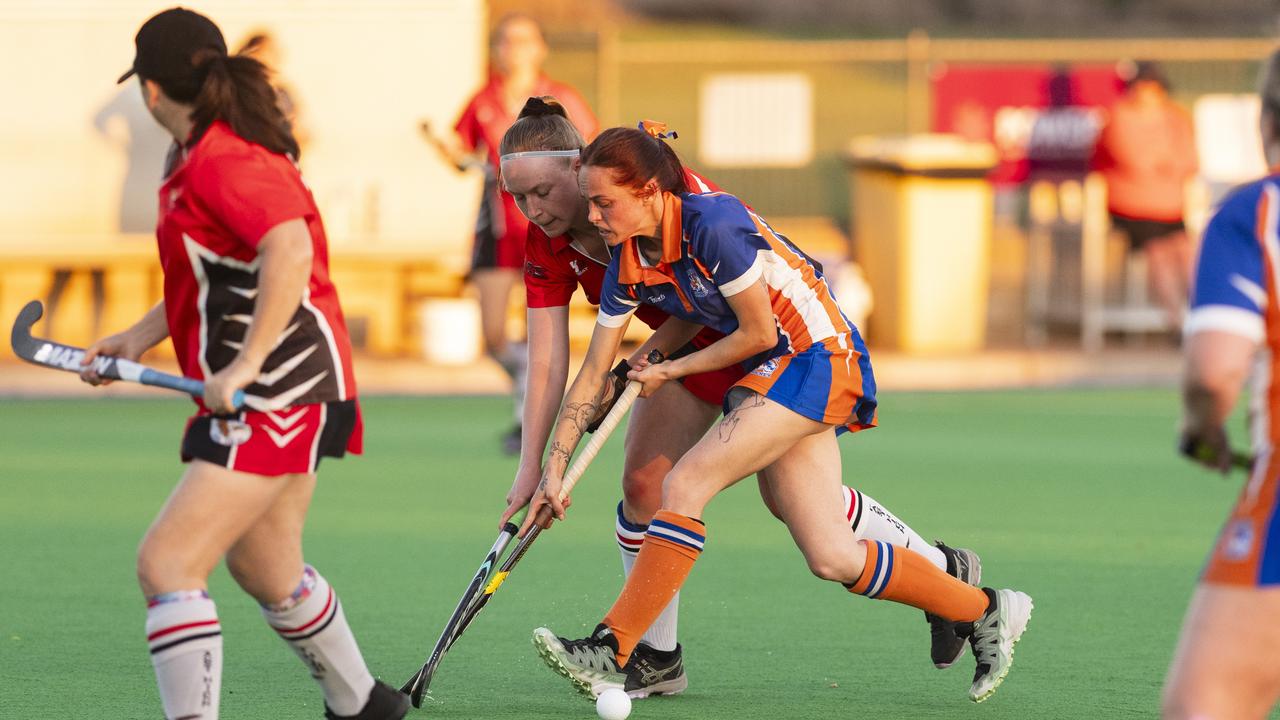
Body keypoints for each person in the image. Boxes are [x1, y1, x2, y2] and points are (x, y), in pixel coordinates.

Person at [518, 124, 1033, 704]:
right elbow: (593, 375)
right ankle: (985, 608)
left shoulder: (712, 223)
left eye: (603, 201)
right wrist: (552, 470)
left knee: (684, 482)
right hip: (767, 373)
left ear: (649, 191)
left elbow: (759, 330)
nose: (593, 214)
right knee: (830, 554)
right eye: (588, 201)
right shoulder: (628, 257)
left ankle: (614, 647)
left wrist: (670, 369)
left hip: (814, 355)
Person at [78, 9, 406, 719]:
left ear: (150, 91)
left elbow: (288, 249)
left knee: (167, 563)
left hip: (280, 389)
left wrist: (249, 363)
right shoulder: (200, 155)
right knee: (267, 567)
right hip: (284, 388)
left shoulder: (225, 158)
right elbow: (216, 275)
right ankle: (364, 706)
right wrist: (138, 337)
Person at [1165, 49, 1280, 720]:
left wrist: (1202, 429)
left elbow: (1215, 373)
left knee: (1203, 707)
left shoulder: (1256, 213)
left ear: (1267, 119)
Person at [426, 14, 598, 454]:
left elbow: (591, 150)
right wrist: (451, 154)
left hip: (551, 230)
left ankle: (530, 413)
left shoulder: (563, 97)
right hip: (498, 225)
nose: (514, 48)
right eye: (506, 40)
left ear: (540, 47)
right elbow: (465, 155)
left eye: (524, 40)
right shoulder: (482, 99)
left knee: (539, 327)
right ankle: (529, 388)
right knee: (493, 333)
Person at [1092, 60, 1199, 330]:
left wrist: (1162, 164)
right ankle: (1176, 320)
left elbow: (1189, 160)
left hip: (1171, 207)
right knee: (1159, 252)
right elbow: (1134, 160)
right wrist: (1162, 164)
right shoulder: (1119, 117)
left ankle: (1201, 314)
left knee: (1187, 252)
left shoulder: (1175, 117)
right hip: (1132, 208)